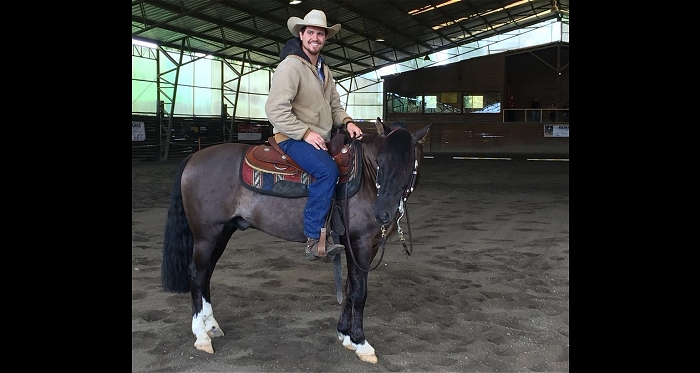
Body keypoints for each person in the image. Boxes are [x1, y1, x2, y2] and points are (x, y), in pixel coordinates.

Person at [265, 9, 364, 261]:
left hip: (319, 136)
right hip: (292, 137)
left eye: (320, 34)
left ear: (325, 38)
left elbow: (335, 106)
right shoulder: (290, 66)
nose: (315, 38)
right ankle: (313, 238)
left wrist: (348, 122)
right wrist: (305, 132)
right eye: (311, 32)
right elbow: (275, 110)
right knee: (327, 171)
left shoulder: (324, 70)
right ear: (301, 34)